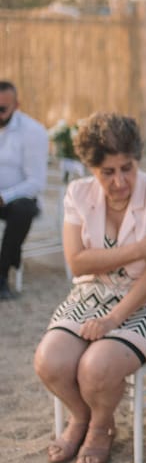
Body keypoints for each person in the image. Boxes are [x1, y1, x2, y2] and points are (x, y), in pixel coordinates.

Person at [34, 113, 146, 463]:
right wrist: (141, 248)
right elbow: (77, 262)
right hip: (91, 295)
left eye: (127, 168)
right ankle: (82, 416)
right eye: (107, 172)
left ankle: (100, 427)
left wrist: (113, 319)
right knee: (49, 361)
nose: (119, 181)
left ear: (137, 160)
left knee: (95, 368)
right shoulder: (78, 193)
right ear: (91, 168)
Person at [0, 81, 48, 300]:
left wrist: (4, 197)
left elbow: (36, 182)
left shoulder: (33, 131)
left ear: (16, 105)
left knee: (22, 211)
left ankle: (1, 278)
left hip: (17, 200)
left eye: (2, 109)